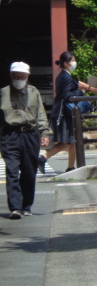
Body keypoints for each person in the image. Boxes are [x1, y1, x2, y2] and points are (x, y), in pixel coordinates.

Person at [0, 62, 52, 219]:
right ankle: (15, 208)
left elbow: (40, 113)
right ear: (11, 76)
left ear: (28, 77)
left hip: (29, 134)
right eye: (16, 76)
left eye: (22, 77)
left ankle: (27, 205)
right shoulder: (3, 92)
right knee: (12, 170)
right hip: (10, 135)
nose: (19, 79)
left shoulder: (33, 91)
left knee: (29, 171)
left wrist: (45, 133)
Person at [38, 52, 83, 174]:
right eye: (73, 60)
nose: (74, 63)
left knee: (72, 140)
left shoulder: (62, 76)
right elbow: (67, 96)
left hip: (61, 112)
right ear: (66, 63)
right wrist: (80, 91)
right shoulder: (67, 77)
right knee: (67, 141)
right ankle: (43, 158)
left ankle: (71, 167)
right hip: (64, 114)